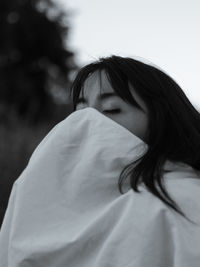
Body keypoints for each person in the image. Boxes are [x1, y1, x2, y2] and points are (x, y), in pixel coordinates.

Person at [0, 55, 200, 267]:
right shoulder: (42, 199)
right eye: (80, 112)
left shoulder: (178, 201)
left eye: (112, 109)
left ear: (161, 122)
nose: (87, 122)